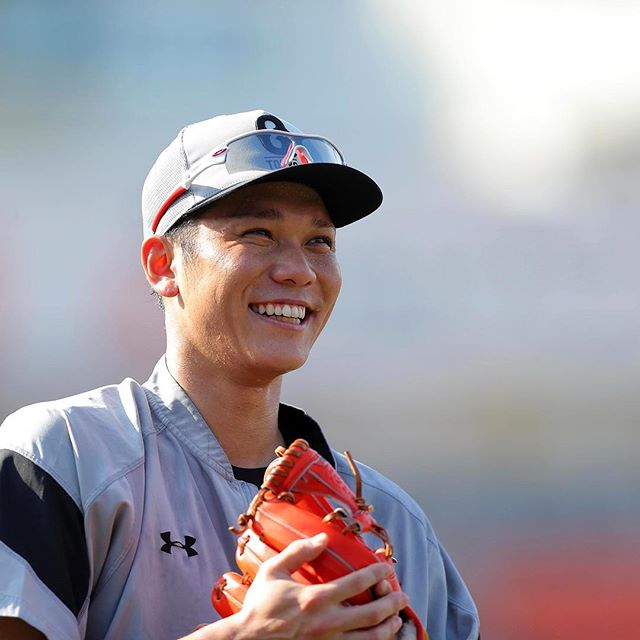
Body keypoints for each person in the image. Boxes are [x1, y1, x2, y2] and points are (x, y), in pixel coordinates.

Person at [0, 110, 480, 639]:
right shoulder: (66, 457)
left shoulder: (395, 524)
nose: (297, 269)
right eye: (258, 233)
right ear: (163, 265)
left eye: (320, 241)